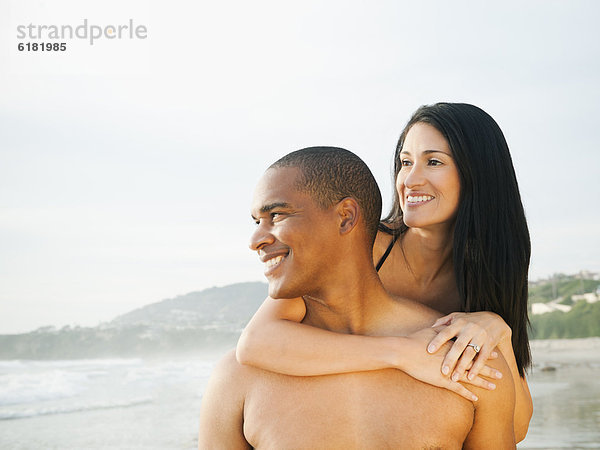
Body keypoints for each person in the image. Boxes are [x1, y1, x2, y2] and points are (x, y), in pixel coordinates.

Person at [236, 103, 533, 441]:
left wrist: (499, 331)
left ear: (479, 174)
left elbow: (517, 426)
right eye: (406, 162)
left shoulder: (488, 269)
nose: (410, 179)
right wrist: (403, 352)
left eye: (433, 162)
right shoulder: (360, 244)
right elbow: (256, 342)